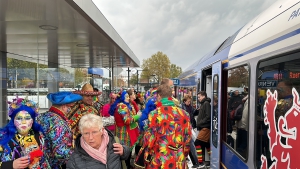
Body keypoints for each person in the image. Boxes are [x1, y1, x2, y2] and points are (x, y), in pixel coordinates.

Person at [135, 84, 191, 169]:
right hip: (178, 161)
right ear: (170, 96)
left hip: (160, 161)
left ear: (159, 96)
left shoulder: (154, 114)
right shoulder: (185, 114)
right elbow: (187, 140)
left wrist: (144, 156)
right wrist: (184, 155)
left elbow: (149, 140)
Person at [0, 96, 51, 169]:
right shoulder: (2, 137)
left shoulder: (40, 137)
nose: (23, 122)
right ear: (13, 120)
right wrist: (11, 165)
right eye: (19, 118)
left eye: (27, 118)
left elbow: (45, 162)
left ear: (32, 121)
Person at [66, 114, 131, 169]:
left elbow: (127, 154)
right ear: (81, 133)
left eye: (94, 132)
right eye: (86, 133)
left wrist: (124, 151)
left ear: (102, 130)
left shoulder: (114, 141)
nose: (90, 138)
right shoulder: (75, 157)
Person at [37, 91, 83, 169]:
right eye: (70, 107)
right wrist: (80, 156)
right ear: (64, 106)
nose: (71, 110)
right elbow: (60, 152)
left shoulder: (44, 116)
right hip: (54, 165)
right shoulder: (58, 122)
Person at [109, 90, 141, 168]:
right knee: (125, 152)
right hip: (124, 133)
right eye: (126, 96)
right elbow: (127, 120)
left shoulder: (124, 105)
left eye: (128, 96)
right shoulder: (122, 106)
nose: (128, 98)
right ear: (122, 98)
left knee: (125, 152)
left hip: (123, 132)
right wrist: (138, 116)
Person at [181, 95, 199, 168]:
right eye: (188, 101)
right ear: (184, 101)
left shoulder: (190, 107)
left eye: (190, 101)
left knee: (190, 145)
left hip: (189, 126)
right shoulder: (182, 107)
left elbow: (193, 113)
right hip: (185, 128)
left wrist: (197, 110)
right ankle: (195, 162)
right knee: (190, 145)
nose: (189, 103)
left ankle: (194, 161)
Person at [195, 91, 211, 169]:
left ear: (204, 96)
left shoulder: (206, 104)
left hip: (205, 127)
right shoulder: (203, 104)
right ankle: (212, 160)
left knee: (197, 143)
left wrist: (200, 122)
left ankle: (201, 163)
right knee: (206, 144)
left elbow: (208, 116)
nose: (198, 99)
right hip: (204, 127)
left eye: (199, 97)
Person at [236, 91, 248, 158]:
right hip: (244, 127)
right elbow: (245, 114)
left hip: (240, 125)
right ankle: (235, 159)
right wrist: (243, 125)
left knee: (240, 143)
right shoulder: (249, 101)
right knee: (243, 144)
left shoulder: (244, 100)